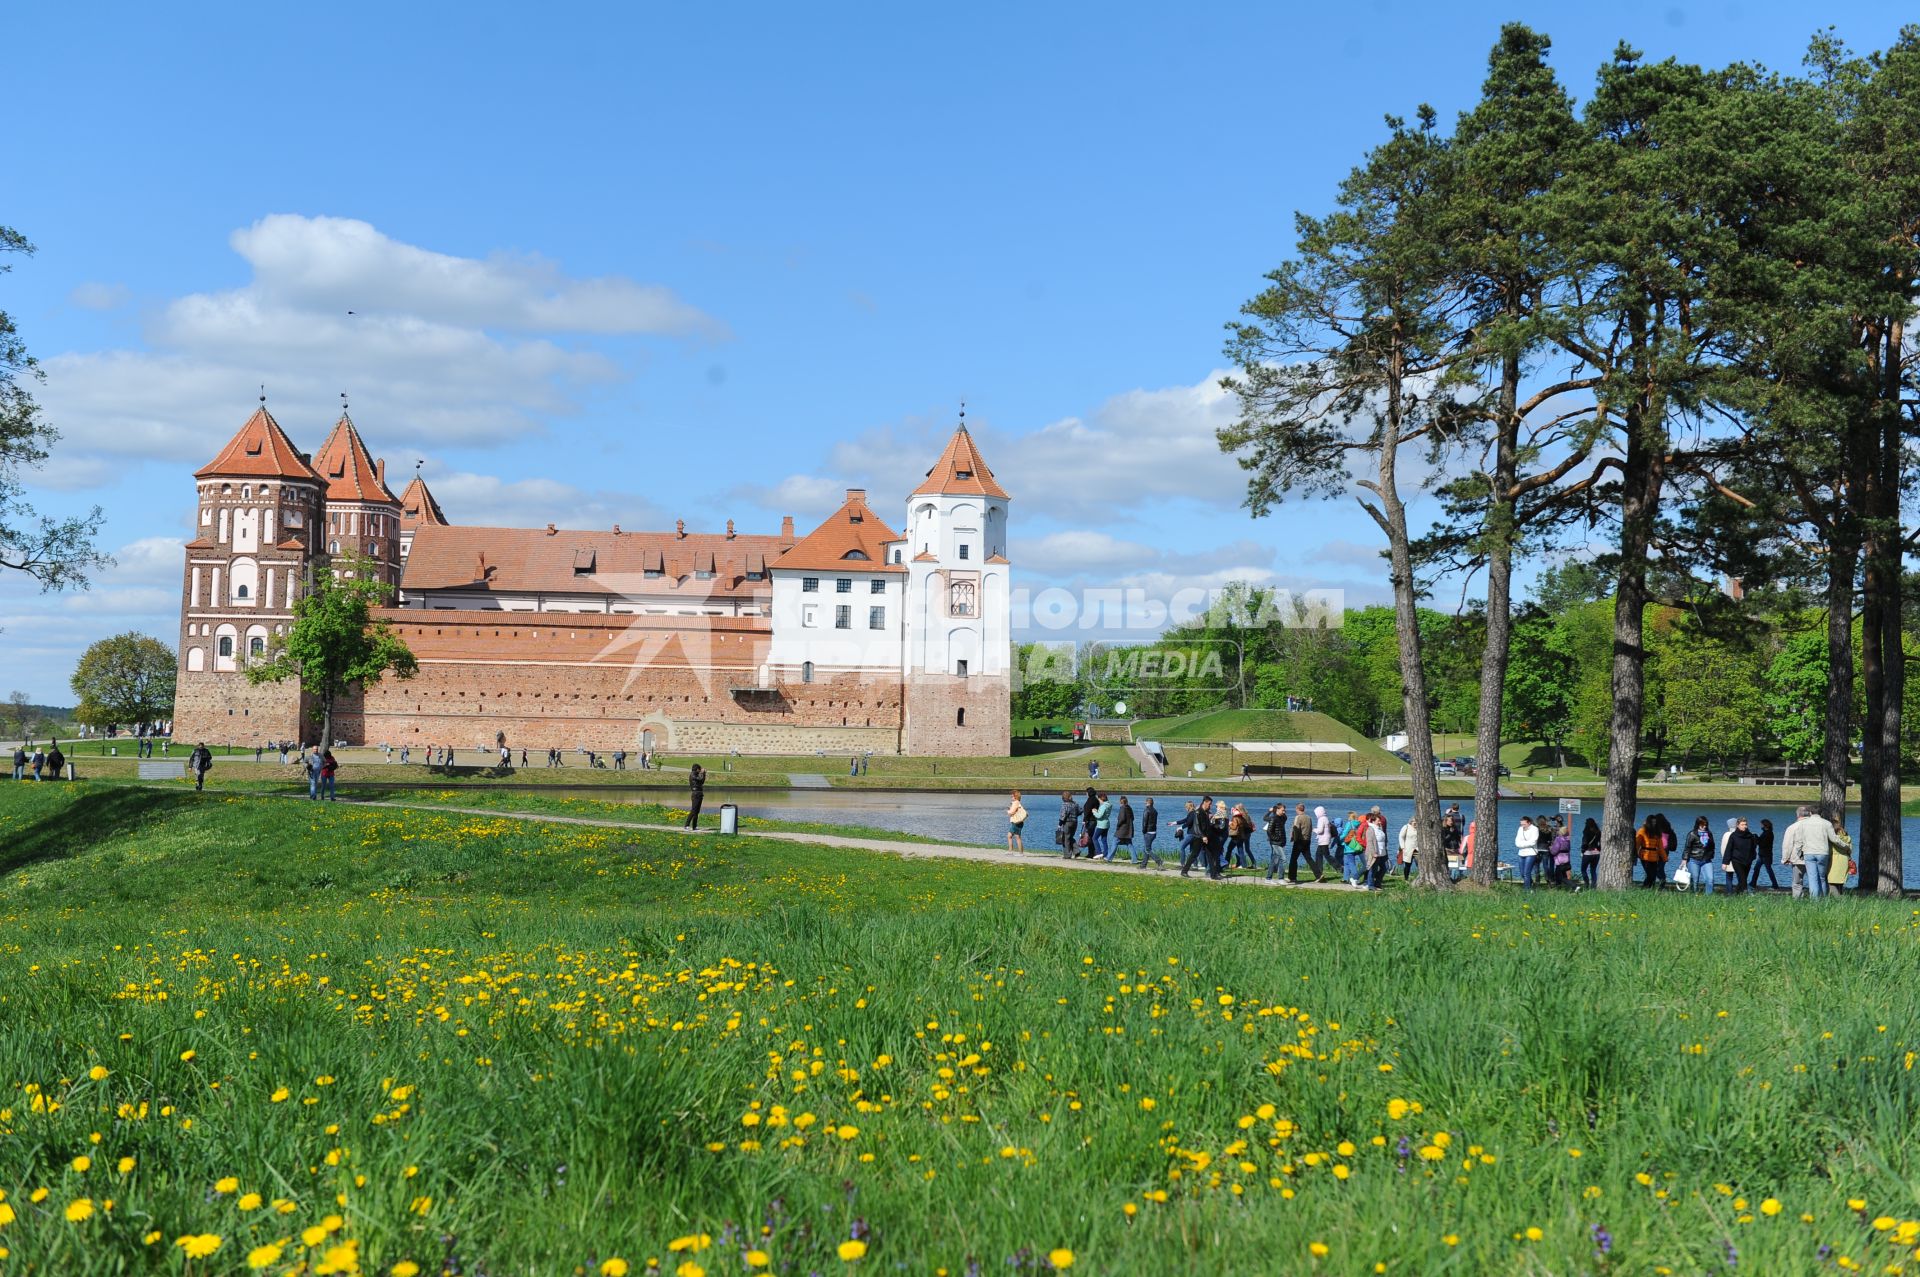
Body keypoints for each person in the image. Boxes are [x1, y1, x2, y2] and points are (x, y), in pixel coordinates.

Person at [1724, 817, 1759, 892]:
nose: (1744, 826)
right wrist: (1725, 862)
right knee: (1742, 880)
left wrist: (1753, 856)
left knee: (1743, 879)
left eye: (1745, 824)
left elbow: (1753, 847)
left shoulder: (1750, 836)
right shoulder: (1733, 836)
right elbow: (1728, 849)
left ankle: (1737, 895)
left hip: (1747, 861)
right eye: (1742, 824)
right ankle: (1745, 895)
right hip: (1737, 860)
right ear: (1738, 825)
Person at [1683, 816, 1717, 893]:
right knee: (1695, 880)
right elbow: (1687, 847)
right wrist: (1684, 859)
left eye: (1706, 825)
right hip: (1694, 860)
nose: (1704, 827)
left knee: (1710, 879)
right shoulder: (1692, 834)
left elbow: (1712, 846)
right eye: (1702, 825)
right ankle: (1694, 896)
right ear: (1698, 824)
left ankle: (1709, 898)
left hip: (1707, 860)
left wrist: (1711, 855)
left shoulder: (1709, 834)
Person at [1287, 803, 1316, 883]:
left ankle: (1292, 877)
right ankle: (1319, 874)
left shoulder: (1298, 817)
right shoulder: (1309, 817)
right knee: (1309, 858)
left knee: (1293, 859)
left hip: (1299, 840)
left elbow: (1296, 828)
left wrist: (1294, 838)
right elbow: (1310, 828)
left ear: (1297, 809)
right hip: (1307, 840)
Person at [1636, 815, 1667, 888]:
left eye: (1655, 822)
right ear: (1648, 822)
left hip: (1654, 857)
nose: (1654, 824)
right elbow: (1637, 843)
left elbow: (1660, 847)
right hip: (1644, 856)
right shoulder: (1642, 831)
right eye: (1652, 822)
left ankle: (1648, 889)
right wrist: (1636, 853)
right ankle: (1644, 889)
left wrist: (1665, 858)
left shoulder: (1657, 832)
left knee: (1653, 876)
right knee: (1650, 875)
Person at [1514, 816, 1541, 891]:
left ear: (1529, 823)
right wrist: (1524, 844)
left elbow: (1533, 842)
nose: (1522, 826)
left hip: (1531, 853)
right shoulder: (1520, 829)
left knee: (1526, 873)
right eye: (1521, 824)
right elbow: (1517, 842)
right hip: (1521, 853)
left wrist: (1522, 844)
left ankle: (1527, 890)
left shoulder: (1534, 829)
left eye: (1524, 824)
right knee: (1522, 873)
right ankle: (1531, 883)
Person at [1753, 818, 1780, 891]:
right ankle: (1753, 883)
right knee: (1756, 868)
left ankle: (1775, 885)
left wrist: (1756, 838)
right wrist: (1757, 838)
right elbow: (1762, 842)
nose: (1760, 826)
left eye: (1761, 824)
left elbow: (1763, 844)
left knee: (1768, 870)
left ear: (1765, 825)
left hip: (1766, 855)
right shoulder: (1767, 832)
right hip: (1763, 855)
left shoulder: (1768, 833)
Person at [1176, 800, 1202, 875]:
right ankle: (1195, 865)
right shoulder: (1193, 813)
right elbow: (1185, 820)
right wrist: (1175, 823)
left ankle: (1183, 864)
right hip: (1195, 834)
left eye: (1186, 807)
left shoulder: (1192, 813)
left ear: (1189, 807)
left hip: (1191, 834)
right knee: (1192, 850)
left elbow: (1188, 822)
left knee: (1182, 847)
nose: (1185, 809)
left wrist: (1181, 828)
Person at [1138, 798, 1164, 868]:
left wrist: (1143, 830)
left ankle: (1159, 861)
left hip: (1148, 832)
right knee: (1146, 848)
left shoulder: (1146, 810)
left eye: (1145, 802)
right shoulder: (1155, 811)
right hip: (1154, 832)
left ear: (1147, 802)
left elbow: (1145, 822)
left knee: (1147, 849)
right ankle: (1143, 865)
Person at [1057, 792, 1082, 858]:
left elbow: (1063, 815)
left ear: (1063, 798)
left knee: (1066, 838)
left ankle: (1067, 854)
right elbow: (1080, 811)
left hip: (1067, 822)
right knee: (1070, 837)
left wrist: (1060, 823)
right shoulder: (1075, 804)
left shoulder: (1065, 805)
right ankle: (1076, 851)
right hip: (1075, 822)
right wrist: (1075, 815)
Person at [1579, 818, 1601, 889]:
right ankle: (1593, 885)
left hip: (1588, 853)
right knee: (1593, 870)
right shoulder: (1598, 832)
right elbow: (1600, 843)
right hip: (1596, 853)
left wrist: (1582, 851)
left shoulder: (1586, 832)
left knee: (1583, 869)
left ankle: (1586, 883)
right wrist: (1598, 849)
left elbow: (1585, 843)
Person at [684, 763, 707, 830]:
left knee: (697, 811)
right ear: (697, 769)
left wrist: (704, 774)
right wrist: (702, 773)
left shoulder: (696, 774)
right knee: (694, 810)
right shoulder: (693, 775)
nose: (700, 771)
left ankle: (694, 826)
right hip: (695, 793)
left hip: (699, 793)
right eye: (699, 769)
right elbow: (700, 779)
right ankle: (686, 825)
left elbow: (702, 781)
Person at [1312, 805, 1333, 877]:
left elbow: (1320, 831)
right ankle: (1319, 871)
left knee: (1326, 856)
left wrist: (1313, 829)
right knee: (1319, 855)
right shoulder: (1325, 818)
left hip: (1323, 840)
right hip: (1325, 839)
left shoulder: (1321, 819)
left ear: (1319, 813)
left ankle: (1339, 867)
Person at [1114, 795, 1136, 863]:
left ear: (1120, 802)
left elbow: (1121, 819)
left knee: (1114, 842)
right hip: (1129, 830)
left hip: (1122, 830)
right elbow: (1133, 818)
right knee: (1129, 844)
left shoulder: (1122, 808)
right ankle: (1134, 859)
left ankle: (1109, 857)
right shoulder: (1129, 808)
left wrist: (1118, 825)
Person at [1093, 792, 1113, 860]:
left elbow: (1099, 816)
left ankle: (1099, 852)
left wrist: (1094, 811)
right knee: (1104, 839)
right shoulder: (1109, 805)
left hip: (1101, 825)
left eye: (1098, 799)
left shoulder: (1103, 806)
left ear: (1100, 799)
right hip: (1107, 824)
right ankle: (1105, 854)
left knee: (1094, 838)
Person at [1397, 815, 1418, 881]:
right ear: (1411, 822)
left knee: (1419, 864)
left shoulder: (1419, 828)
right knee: (1408, 865)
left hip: (1417, 849)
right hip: (1408, 849)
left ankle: (1420, 877)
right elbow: (1401, 837)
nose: (1415, 823)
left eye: (1416, 822)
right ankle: (1406, 878)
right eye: (1414, 822)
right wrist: (1402, 847)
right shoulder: (1406, 827)